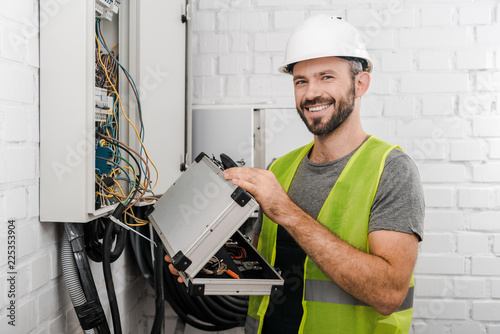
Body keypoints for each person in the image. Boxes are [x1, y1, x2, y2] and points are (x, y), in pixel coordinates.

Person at [169, 14, 424, 334]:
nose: (311, 93)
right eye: (301, 81)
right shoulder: (281, 168)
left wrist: (286, 211)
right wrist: (207, 264)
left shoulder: (392, 170)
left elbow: (388, 294)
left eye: (326, 77)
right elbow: (267, 271)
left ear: (361, 84)